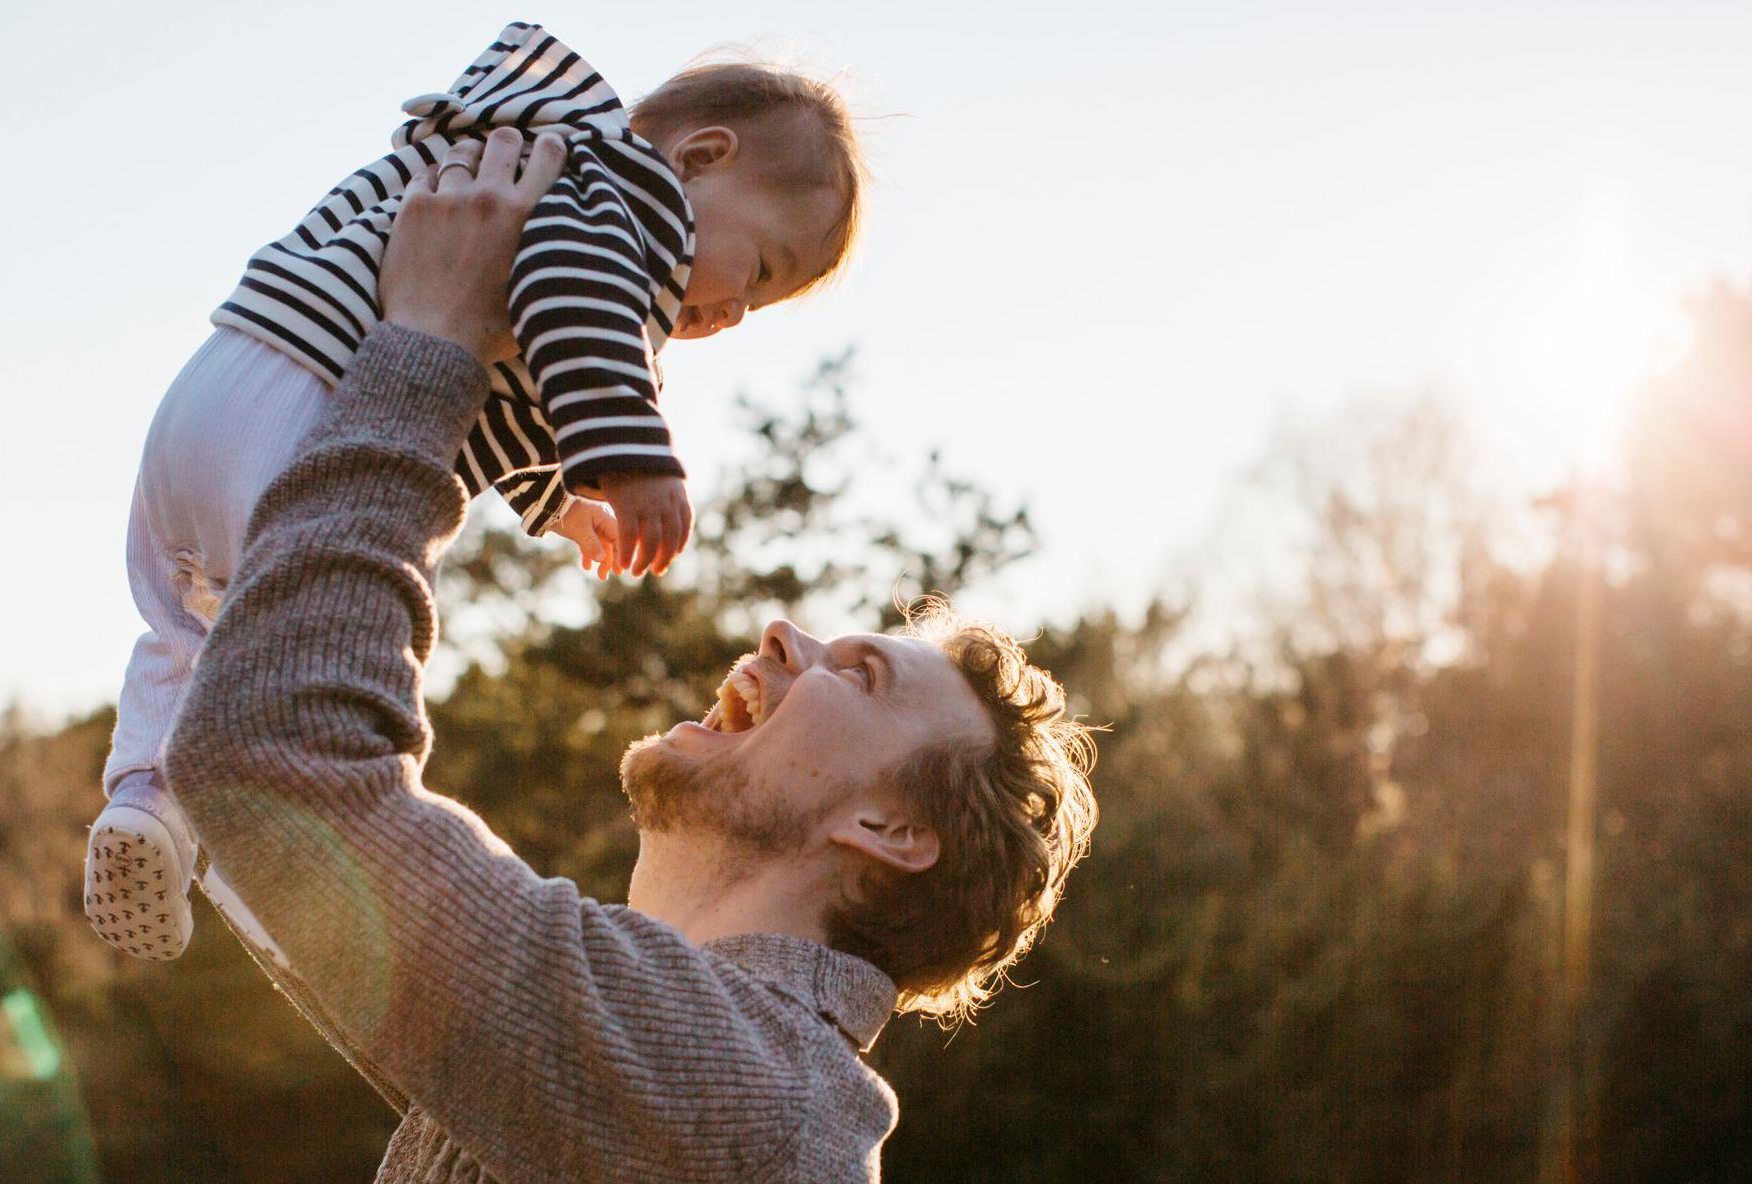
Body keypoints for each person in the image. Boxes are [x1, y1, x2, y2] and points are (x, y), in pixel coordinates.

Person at [158, 131, 1099, 1181]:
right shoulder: (688, 1080)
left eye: (861, 673)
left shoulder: (741, 1093)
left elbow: (274, 760)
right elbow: (282, 837)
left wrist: (430, 344)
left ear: (888, 827)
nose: (784, 634)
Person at [87, 20, 865, 960]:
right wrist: (633, 458)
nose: (735, 312)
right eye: (762, 268)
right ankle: (314, 891)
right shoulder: (628, 198)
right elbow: (568, 297)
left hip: (216, 392)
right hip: (319, 405)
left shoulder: (529, 162)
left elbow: (505, 394)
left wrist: (553, 502)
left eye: (761, 307)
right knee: (344, 647)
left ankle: (142, 809)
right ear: (701, 158)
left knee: (194, 635)